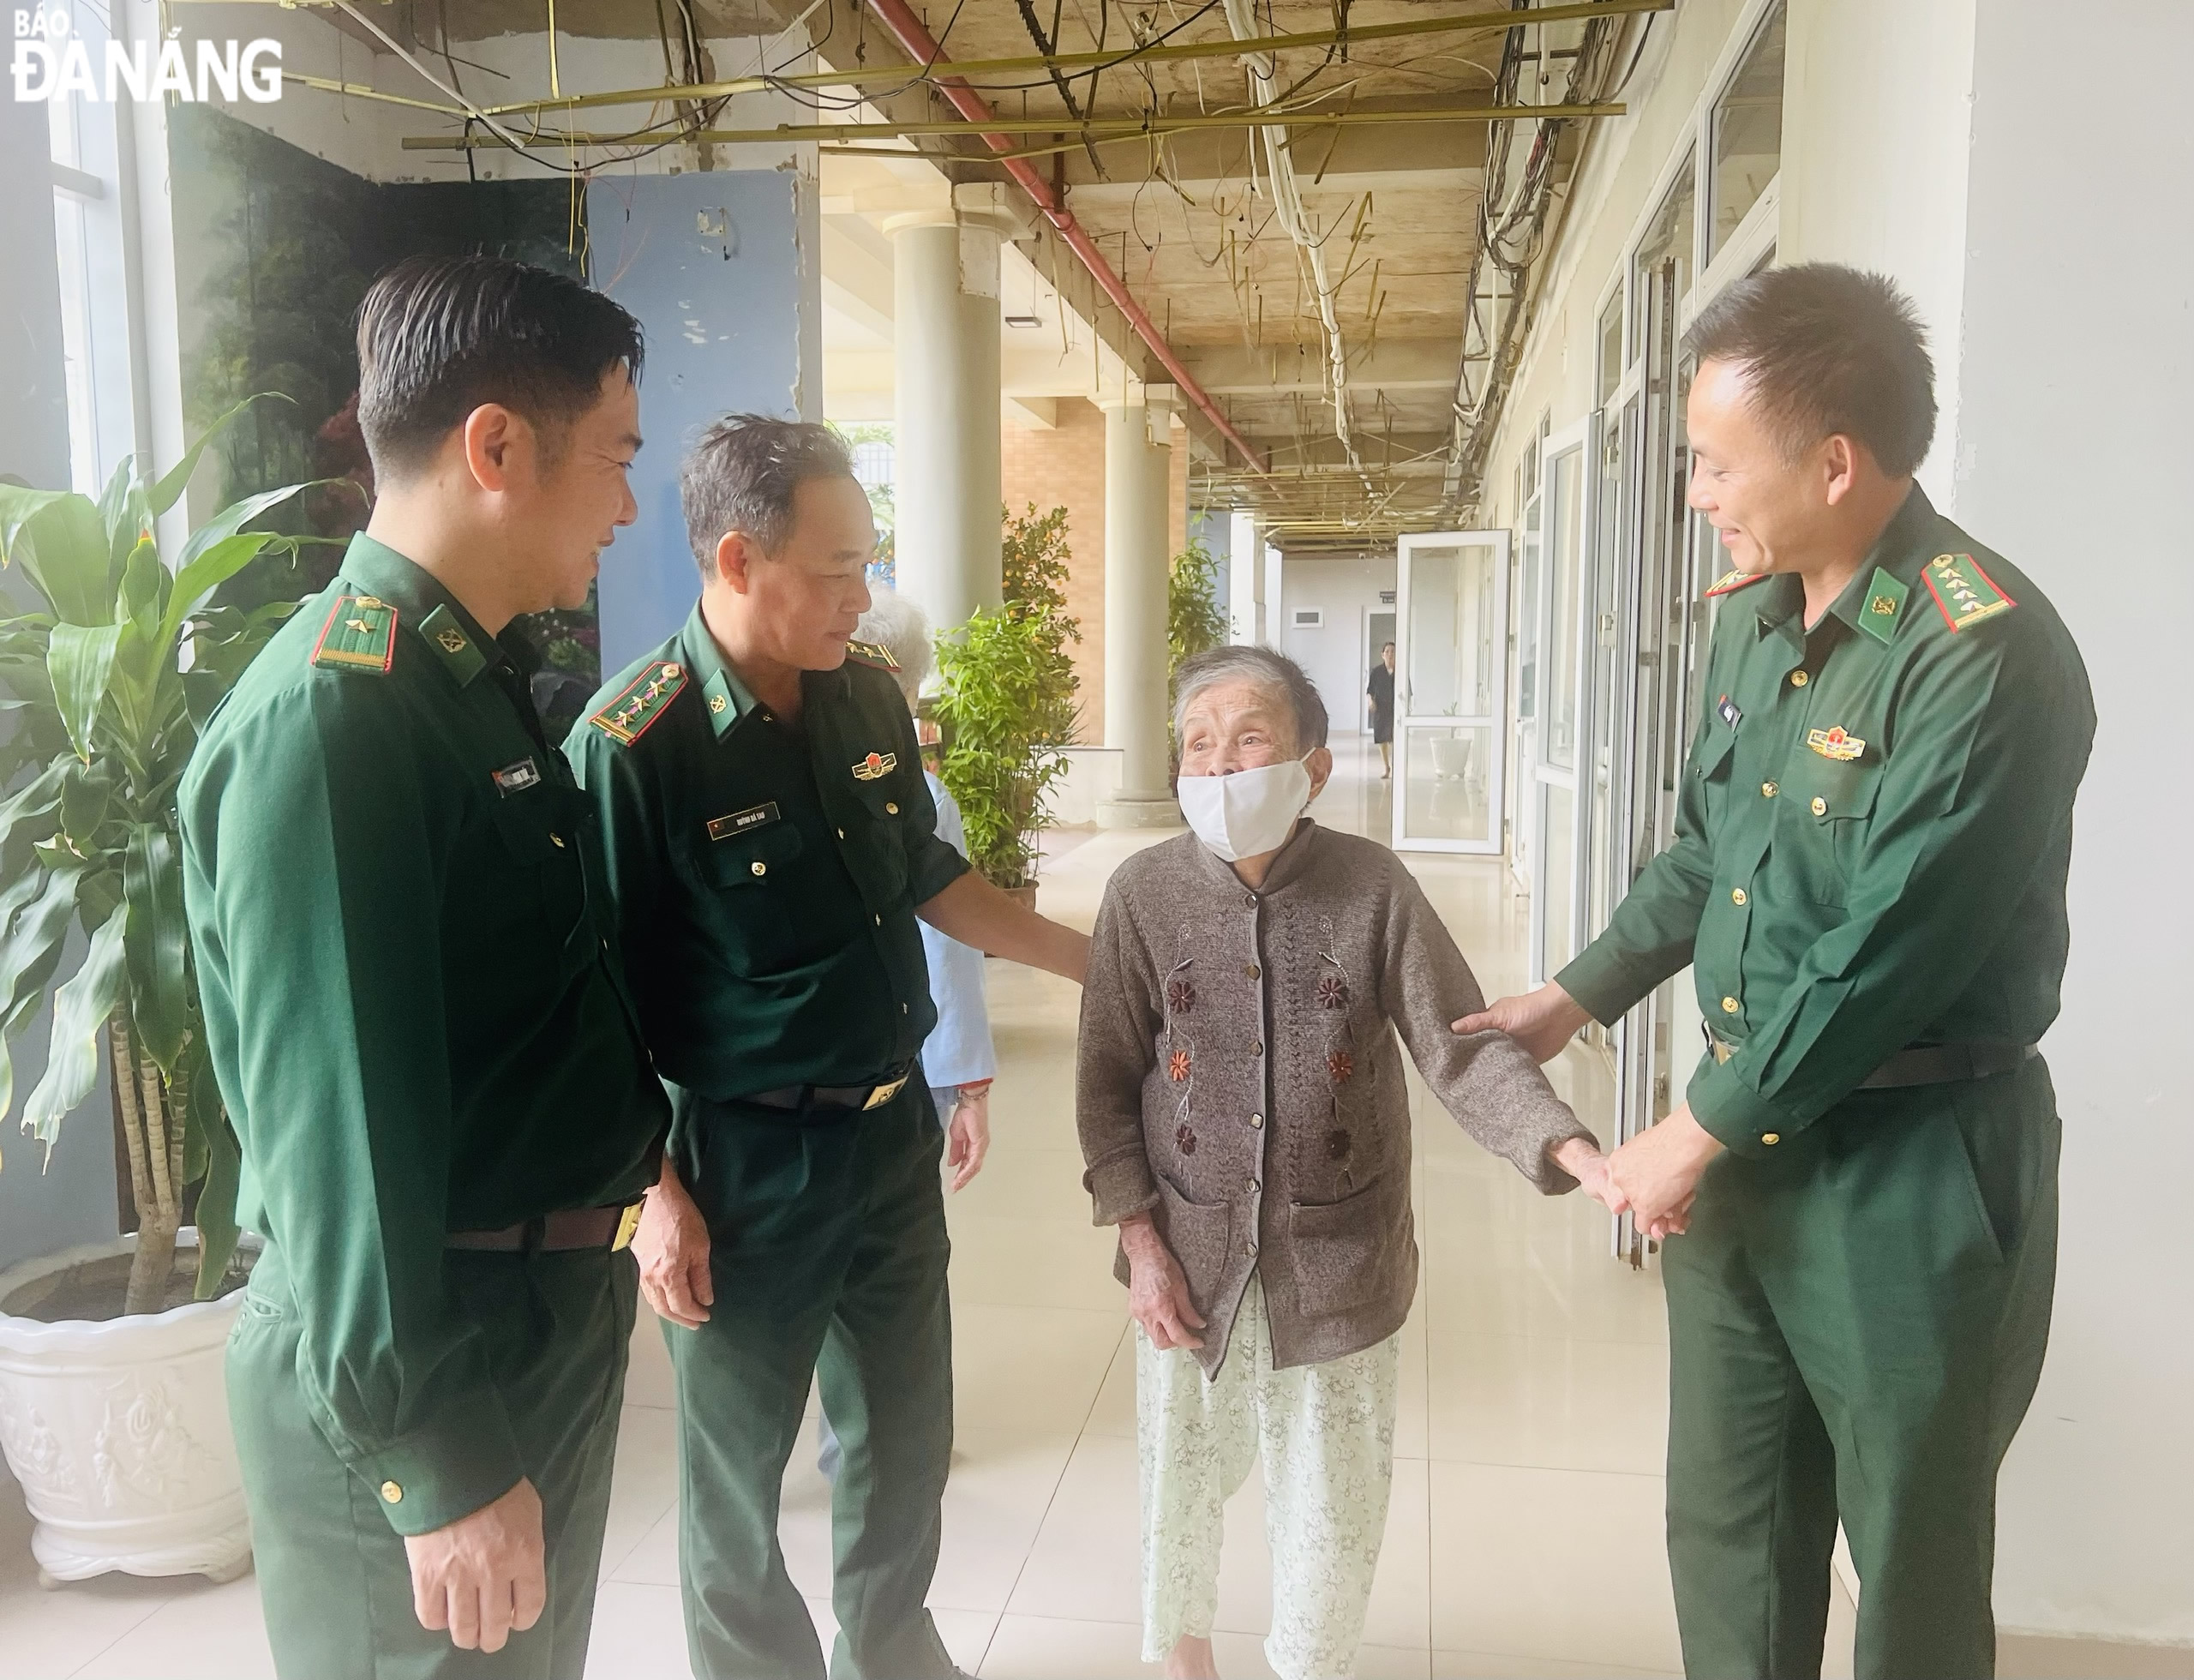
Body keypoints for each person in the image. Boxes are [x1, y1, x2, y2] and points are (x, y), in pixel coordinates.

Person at [1459, 265, 2095, 1680]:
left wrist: (1690, 1131)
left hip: (1909, 1168)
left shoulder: (1980, 654)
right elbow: (1711, 852)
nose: (1698, 494)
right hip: (1752, 1154)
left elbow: (1885, 955)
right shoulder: (1758, 620)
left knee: (1912, 1562)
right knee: (1730, 1533)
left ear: (1836, 459)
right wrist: (1575, 995)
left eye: (1711, 462)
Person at [179, 255, 669, 1678]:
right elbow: (339, 1135)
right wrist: (428, 1455)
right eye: (617, 460)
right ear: (497, 446)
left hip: (529, 1321)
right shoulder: (343, 720)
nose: (629, 506)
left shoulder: (462, 685)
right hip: (426, 1354)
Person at [565, 415, 1088, 1680]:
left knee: (906, 1441)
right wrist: (655, 1198)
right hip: (739, 1169)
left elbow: (926, 876)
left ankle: (893, 1654)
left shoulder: (864, 695)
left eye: (870, 562)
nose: (865, 595)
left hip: (887, 1140)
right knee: (737, 1487)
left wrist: (1100, 962)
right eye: (838, 568)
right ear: (740, 562)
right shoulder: (636, 744)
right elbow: (591, 1001)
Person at [1076, 645, 1616, 1680]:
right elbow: (1104, 1083)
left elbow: (1457, 1045)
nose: (1223, 770)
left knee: (1330, 1513)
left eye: (1250, 742)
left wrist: (1564, 1144)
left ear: (1312, 768)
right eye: (1200, 747)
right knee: (1178, 1496)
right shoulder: (1140, 894)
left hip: (1341, 1264)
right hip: (1186, 1260)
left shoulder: (1374, 888)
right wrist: (1141, 1242)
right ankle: (1186, 1666)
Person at [813, 588, 998, 1482]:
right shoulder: (917, 791)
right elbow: (948, 948)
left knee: (831, 1263)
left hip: (815, 1073)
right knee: (893, 1269)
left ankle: (844, 1435)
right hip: (902, 1066)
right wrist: (968, 1080)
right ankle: (890, 1434)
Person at [1366, 639, 1396, 777]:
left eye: (1393, 652)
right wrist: (1370, 702)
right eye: (1387, 652)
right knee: (1382, 739)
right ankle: (1386, 767)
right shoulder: (1377, 672)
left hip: (1395, 709)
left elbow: (1408, 691)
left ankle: (1397, 765)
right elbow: (1369, 690)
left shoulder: (1400, 671)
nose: (1390, 654)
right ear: (1382, 655)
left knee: (1395, 738)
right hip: (1380, 708)